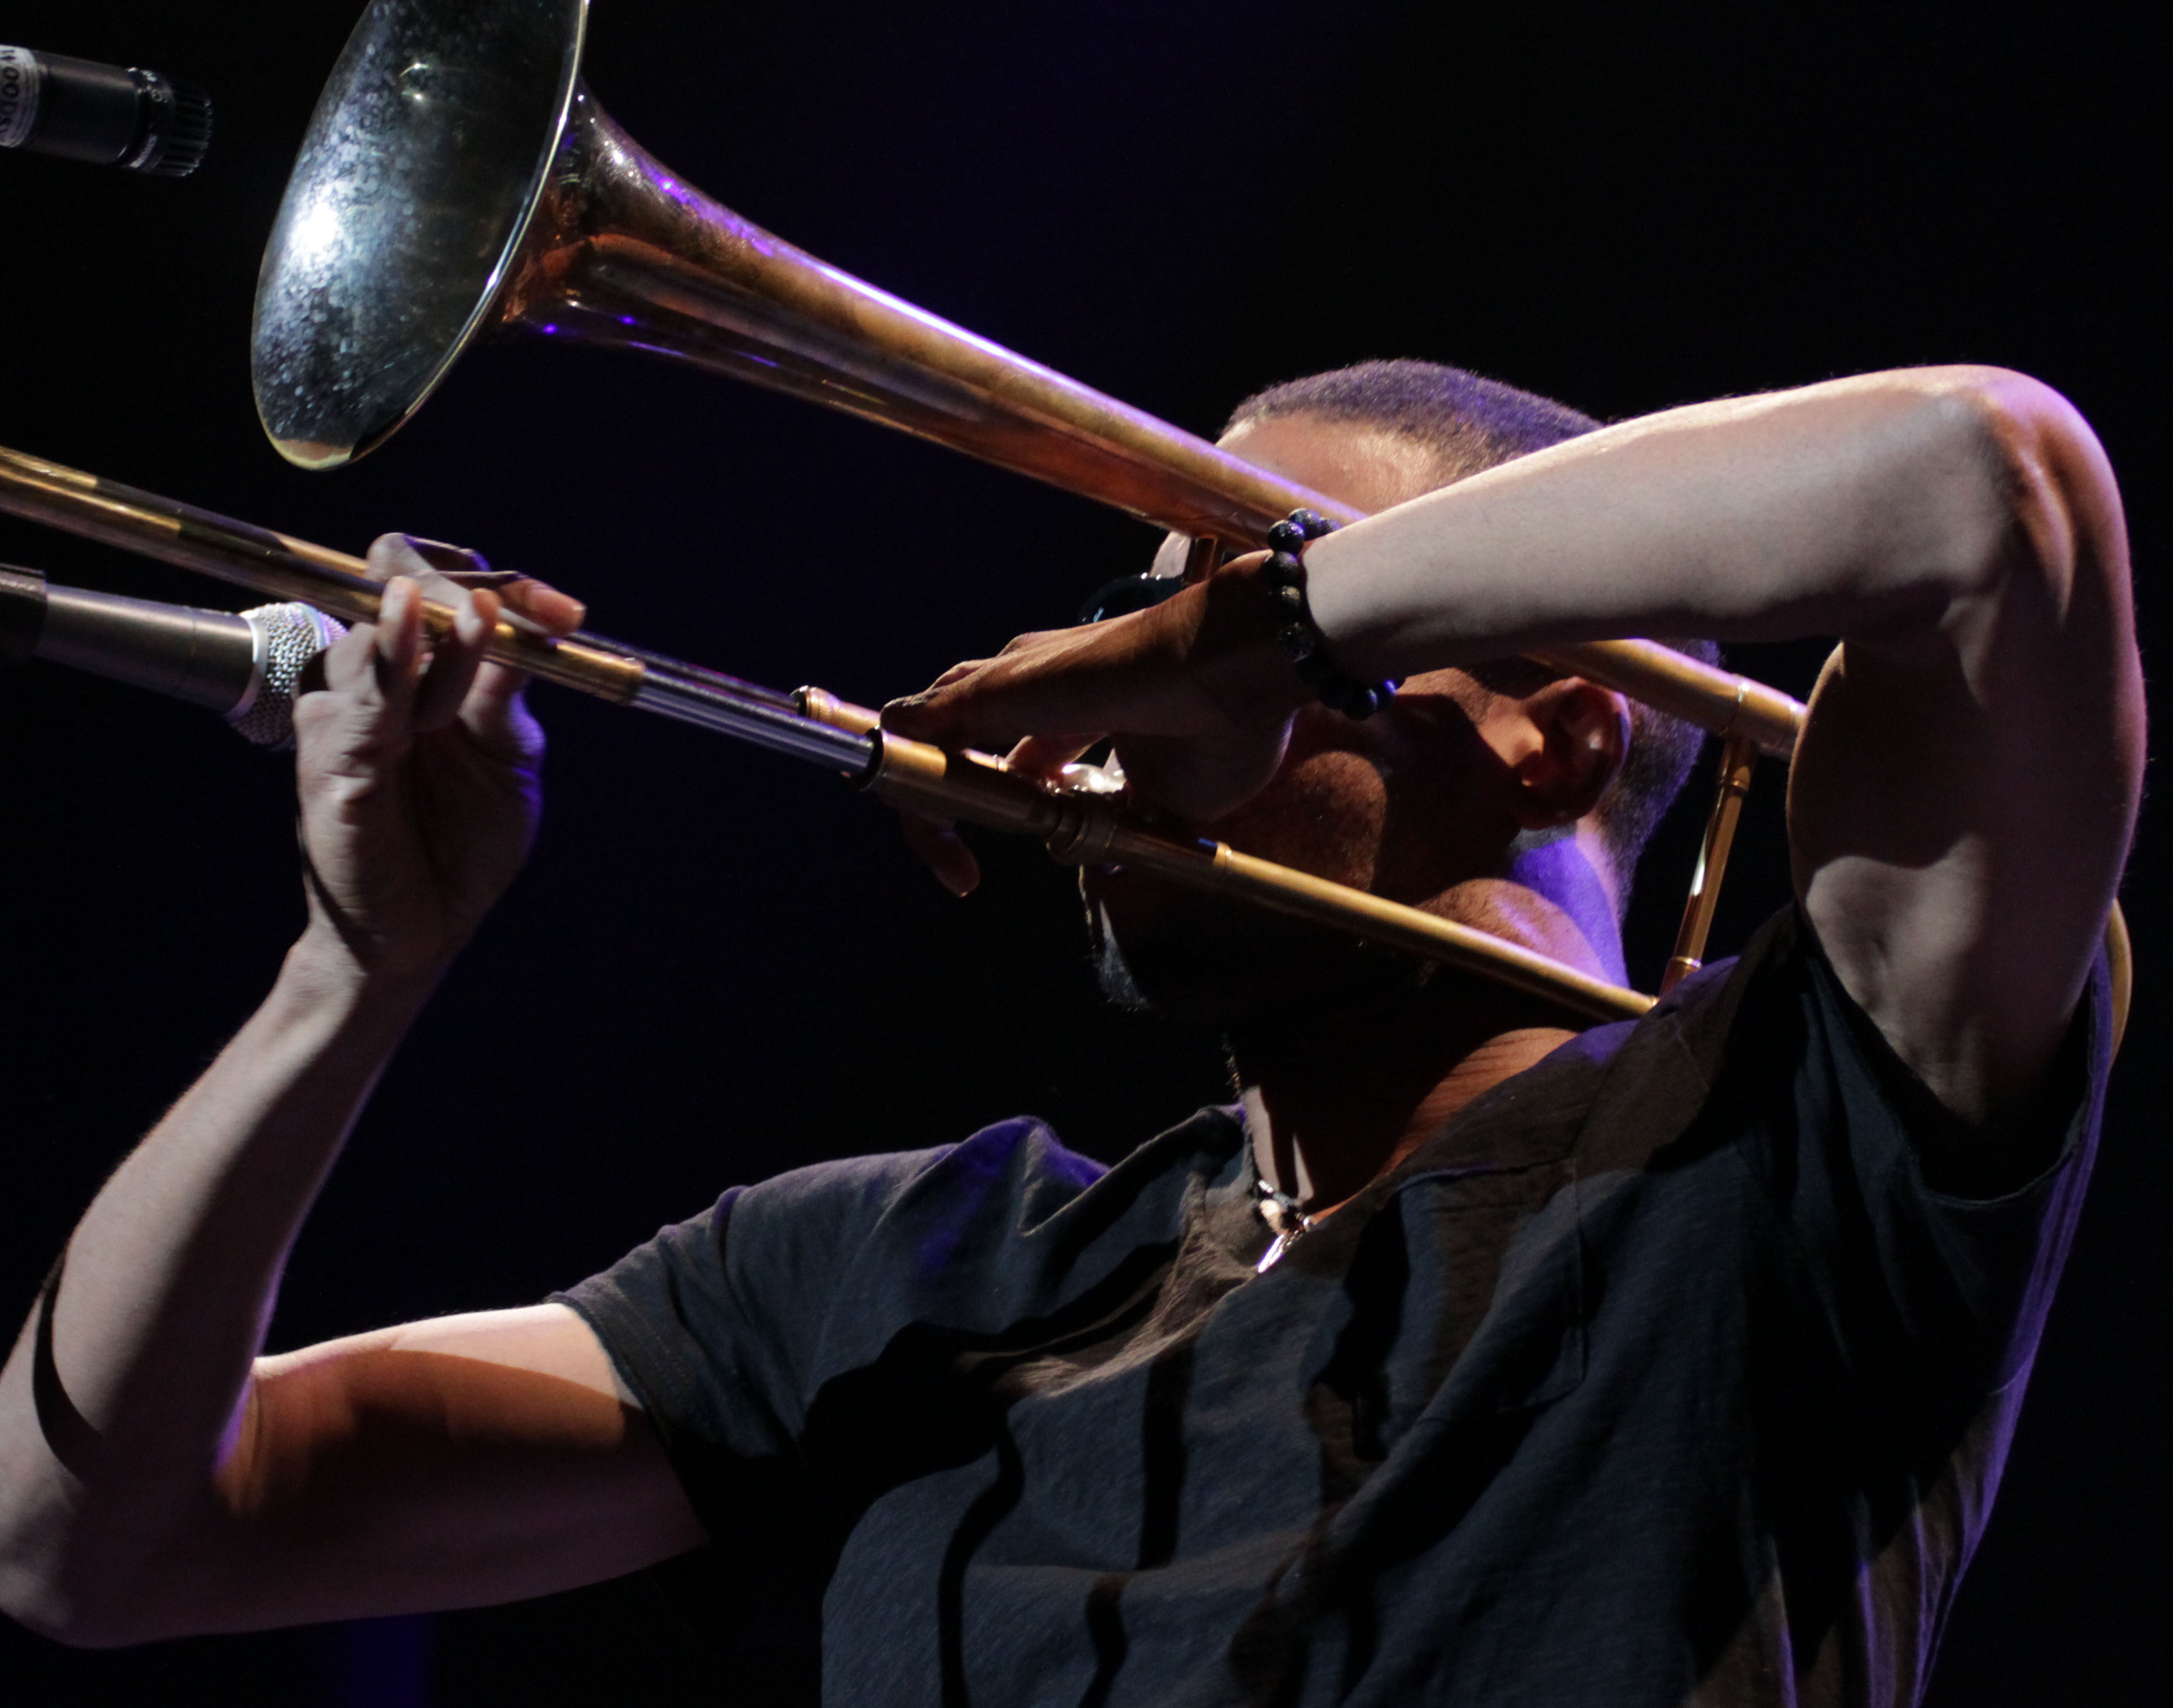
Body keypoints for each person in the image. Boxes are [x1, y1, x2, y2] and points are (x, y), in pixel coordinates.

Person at [0, 359, 2140, 1706]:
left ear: (1553, 726)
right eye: (1145, 606)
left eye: (1193, 601)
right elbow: (90, 1540)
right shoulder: (907, 1269)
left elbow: (1980, 484)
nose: (1128, 681)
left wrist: (1283, 619)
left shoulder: (1794, 1128)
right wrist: (341, 980)